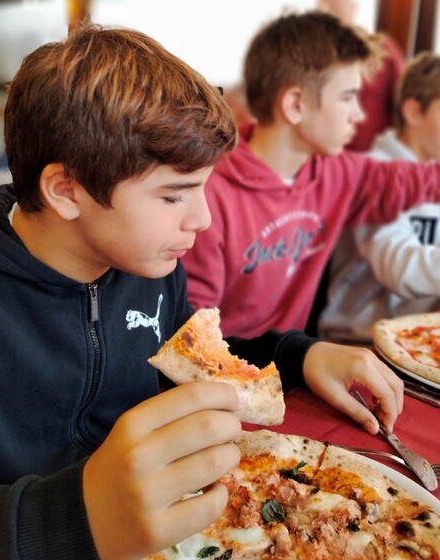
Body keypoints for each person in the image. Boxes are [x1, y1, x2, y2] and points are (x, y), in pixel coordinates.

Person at [0, 22, 404, 560]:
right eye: (173, 195)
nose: (203, 219)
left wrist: (298, 356)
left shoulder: (150, 268)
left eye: (204, 187)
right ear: (67, 191)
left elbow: (196, 361)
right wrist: (74, 517)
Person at [182, 10, 440, 340]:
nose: (359, 115)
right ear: (295, 105)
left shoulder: (338, 171)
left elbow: (416, 181)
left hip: (294, 364)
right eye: (348, 98)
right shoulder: (211, 193)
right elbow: (193, 335)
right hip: (227, 375)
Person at [319, 52, 440, 343]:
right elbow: (396, 268)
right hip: (356, 339)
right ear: (413, 112)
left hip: (418, 338)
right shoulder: (376, 174)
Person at [317, 0, 405, 151]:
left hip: (371, 156)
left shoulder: (383, 50)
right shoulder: (306, 50)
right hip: (320, 155)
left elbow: (405, 106)